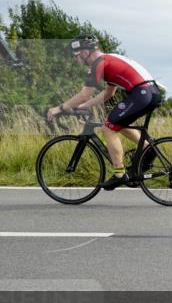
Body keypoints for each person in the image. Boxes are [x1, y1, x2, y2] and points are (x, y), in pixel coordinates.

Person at [47, 36, 163, 190]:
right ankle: (148, 149)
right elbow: (109, 93)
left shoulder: (98, 64)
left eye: (76, 55)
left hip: (141, 93)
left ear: (85, 52)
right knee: (116, 123)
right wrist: (84, 106)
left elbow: (84, 93)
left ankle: (119, 174)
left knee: (108, 127)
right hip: (150, 93)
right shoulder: (108, 59)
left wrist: (59, 109)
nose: (75, 59)